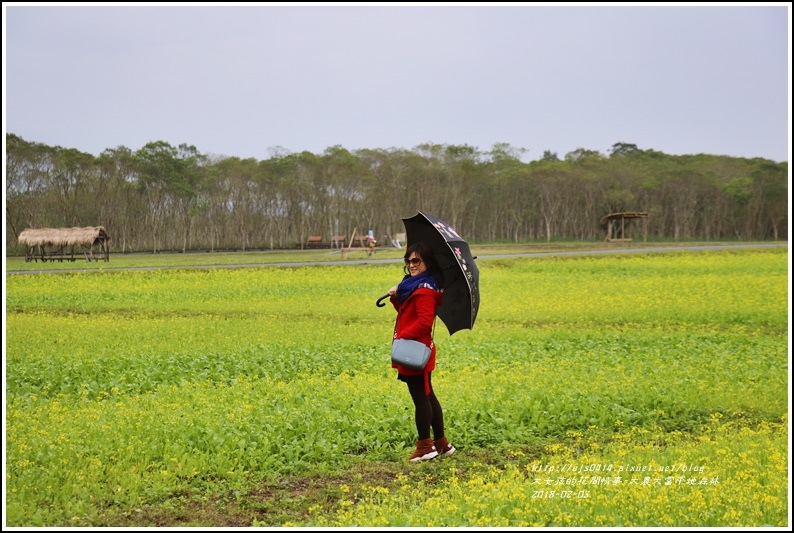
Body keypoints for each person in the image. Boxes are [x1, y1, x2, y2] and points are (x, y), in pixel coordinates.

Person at [387, 242, 456, 462]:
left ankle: (425, 446)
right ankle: (442, 444)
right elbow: (407, 312)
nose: (411, 265)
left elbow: (424, 322)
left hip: (414, 351)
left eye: (416, 260)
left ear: (427, 262)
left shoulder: (425, 290)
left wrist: (403, 336)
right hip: (417, 348)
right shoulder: (414, 285)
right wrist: (396, 297)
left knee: (421, 399)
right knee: (428, 395)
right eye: (408, 260)